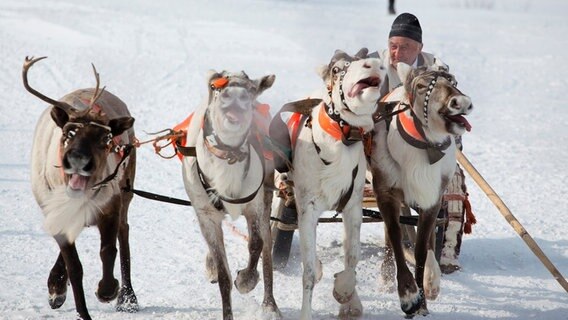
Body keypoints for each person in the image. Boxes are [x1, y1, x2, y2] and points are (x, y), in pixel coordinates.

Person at [377, 12, 476, 274]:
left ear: (419, 48)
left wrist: (450, 141)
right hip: (386, 148)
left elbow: (451, 112)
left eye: (406, 47)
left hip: (430, 146)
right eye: (393, 46)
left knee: (453, 179)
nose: (398, 52)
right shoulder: (376, 66)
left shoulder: (438, 72)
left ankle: (447, 250)